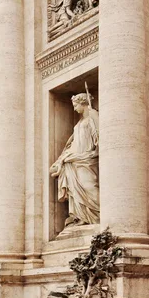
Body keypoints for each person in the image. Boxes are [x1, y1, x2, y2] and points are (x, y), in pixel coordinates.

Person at [50, 92, 100, 227]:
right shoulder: (79, 123)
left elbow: (99, 137)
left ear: (83, 103)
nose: (74, 108)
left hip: (87, 158)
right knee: (75, 189)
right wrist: (62, 158)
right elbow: (72, 143)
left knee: (89, 186)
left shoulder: (93, 116)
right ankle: (81, 216)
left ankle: (98, 214)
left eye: (76, 105)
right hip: (75, 159)